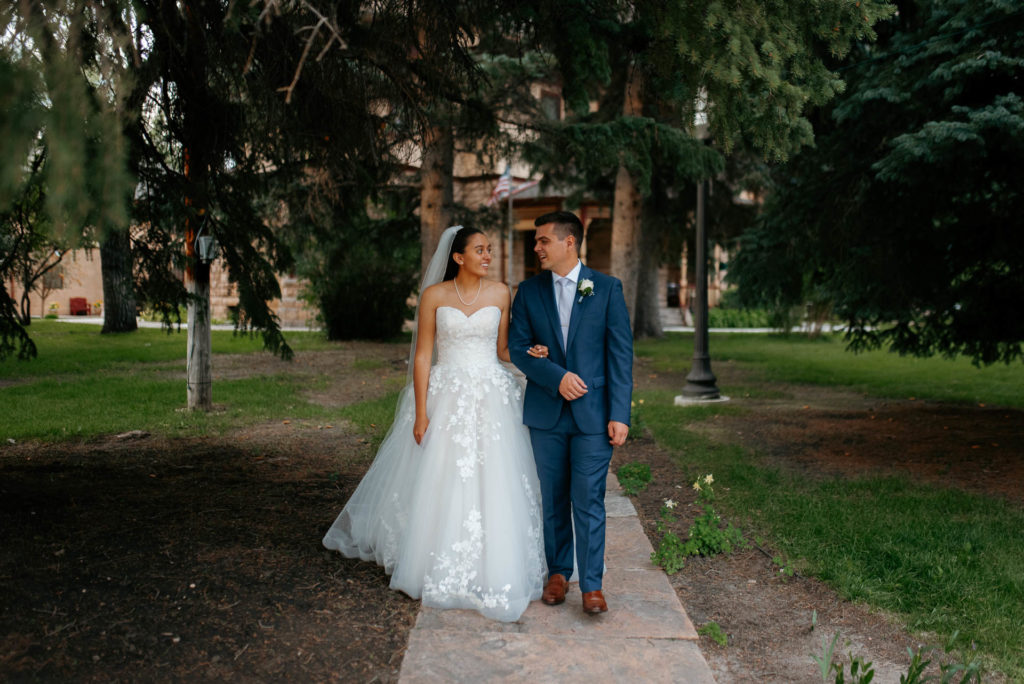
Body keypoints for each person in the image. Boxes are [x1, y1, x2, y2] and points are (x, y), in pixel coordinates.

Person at [323, 225, 549, 622]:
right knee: (442, 476)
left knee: (494, 477)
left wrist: (529, 353)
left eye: (489, 250)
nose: (487, 256)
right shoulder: (434, 296)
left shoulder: (501, 292)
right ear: (458, 257)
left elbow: (501, 349)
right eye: (479, 250)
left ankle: (493, 562)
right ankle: (431, 558)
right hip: (446, 394)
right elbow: (424, 355)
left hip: (491, 395)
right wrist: (422, 411)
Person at [509, 210, 633, 615]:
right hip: (546, 413)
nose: (537, 247)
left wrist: (621, 414)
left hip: (594, 415)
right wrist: (555, 376)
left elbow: (620, 356)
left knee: (588, 498)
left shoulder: (607, 288)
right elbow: (518, 348)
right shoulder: (528, 292)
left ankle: (592, 585)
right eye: (536, 240)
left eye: (543, 240)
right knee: (553, 498)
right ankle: (558, 573)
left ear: (569, 242)